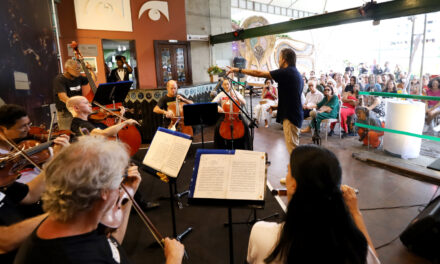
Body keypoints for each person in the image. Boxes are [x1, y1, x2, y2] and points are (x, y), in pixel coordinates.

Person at [14, 136, 184, 264]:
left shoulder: (74, 217)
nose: (119, 190)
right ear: (103, 193)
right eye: (118, 184)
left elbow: (113, 245)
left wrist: (129, 193)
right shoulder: (75, 257)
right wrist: (173, 259)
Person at [247, 145, 380, 264]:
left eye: (288, 171)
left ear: (294, 185)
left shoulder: (261, 234)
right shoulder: (355, 248)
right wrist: (355, 213)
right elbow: (373, 259)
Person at [0, 104, 69, 263]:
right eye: (22, 126)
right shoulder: (4, 169)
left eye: (29, 124)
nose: (29, 129)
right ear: (3, 129)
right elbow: (6, 240)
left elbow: (29, 193)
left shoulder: (15, 154)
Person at [227, 48, 303, 155]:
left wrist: (238, 70)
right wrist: (276, 107)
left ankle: (295, 171)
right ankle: (294, 170)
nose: (278, 61)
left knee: (293, 151)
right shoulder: (295, 73)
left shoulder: (287, 72)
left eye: (279, 58)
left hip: (291, 117)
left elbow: (258, 72)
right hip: (295, 114)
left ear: (284, 59)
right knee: (293, 148)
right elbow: (291, 98)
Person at [53, 59, 97, 130]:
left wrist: (91, 70)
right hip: (66, 112)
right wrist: (76, 105)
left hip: (77, 110)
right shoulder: (60, 80)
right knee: (68, 134)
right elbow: (62, 97)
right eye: (76, 69)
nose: (79, 70)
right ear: (67, 69)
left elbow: (93, 80)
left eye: (79, 68)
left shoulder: (78, 77)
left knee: (80, 133)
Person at [66, 96, 139, 137]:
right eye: (86, 103)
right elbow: (104, 133)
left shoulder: (88, 121)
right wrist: (125, 122)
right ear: (76, 108)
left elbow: (113, 133)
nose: (90, 105)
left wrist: (120, 116)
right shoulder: (79, 123)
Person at [212, 79, 250, 150]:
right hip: (225, 115)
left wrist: (237, 97)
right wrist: (218, 107)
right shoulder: (221, 94)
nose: (226, 86)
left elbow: (244, 102)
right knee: (217, 127)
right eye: (225, 84)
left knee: (245, 125)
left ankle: (245, 147)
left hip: (236, 115)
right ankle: (220, 149)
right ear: (222, 86)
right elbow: (212, 103)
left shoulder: (236, 93)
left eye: (228, 84)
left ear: (231, 85)